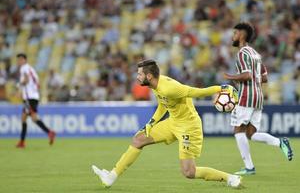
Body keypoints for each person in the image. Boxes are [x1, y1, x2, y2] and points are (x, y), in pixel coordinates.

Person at [92, 59, 242, 188]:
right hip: (173, 122)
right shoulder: (156, 85)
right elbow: (163, 104)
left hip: (188, 127)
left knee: (189, 172)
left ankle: (230, 178)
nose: (137, 77)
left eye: (140, 74)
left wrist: (221, 88)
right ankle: (111, 177)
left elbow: (195, 92)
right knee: (138, 139)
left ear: (149, 76)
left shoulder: (170, 88)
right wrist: (151, 123)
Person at [223, 22, 293, 175]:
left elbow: (247, 75)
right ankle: (280, 142)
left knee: (238, 130)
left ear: (242, 34)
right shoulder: (256, 54)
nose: (233, 37)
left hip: (247, 96)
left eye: (235, 33)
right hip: (258, 97)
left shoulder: (242, 53)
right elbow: (264, 78)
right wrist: (250, 81)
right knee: (251, 134)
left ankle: (249, 168)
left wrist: (231, 77)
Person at [15, 53, 56, 148]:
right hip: (33, 97)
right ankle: (22, 141)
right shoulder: (31, 69)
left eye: (20, 59)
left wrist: (19, 85)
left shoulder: (24, 68)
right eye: (18, 60)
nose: (19, 61)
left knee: (30, 118)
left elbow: (26, 79)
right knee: (27, 118)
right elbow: (37, 83)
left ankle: (49, 132)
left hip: (29, 98)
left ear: (24, 60)